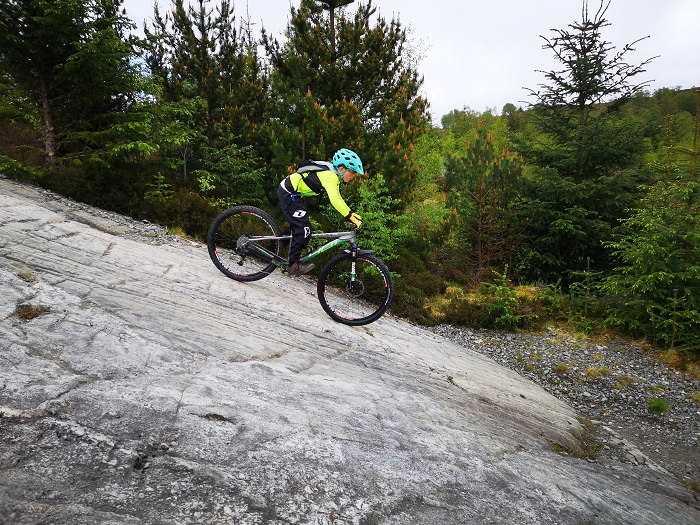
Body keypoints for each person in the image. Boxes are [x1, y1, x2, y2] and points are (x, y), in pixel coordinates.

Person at [277, 148, 364, 276]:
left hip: (295, 194)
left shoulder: (333, 175)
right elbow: (334, 200)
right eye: (352, 172)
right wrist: (349, 216)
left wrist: (351, 213)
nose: (353, 176)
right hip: (289, 192)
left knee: (298, 228)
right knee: (304, 228)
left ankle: (273, 249)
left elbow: (337, 197)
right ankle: (292, 265)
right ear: (341, 169)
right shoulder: (330, 176)